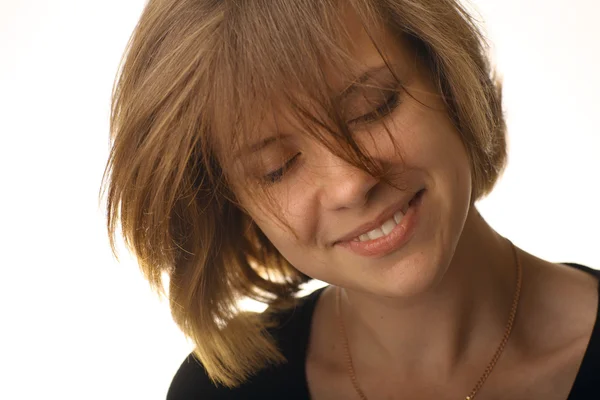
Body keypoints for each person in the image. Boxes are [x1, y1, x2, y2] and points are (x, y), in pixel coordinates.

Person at [101, 0, 599, 398]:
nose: (350, 183)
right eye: (277, 168)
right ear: (233, 208)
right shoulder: (222, 393)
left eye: (374, 107)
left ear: (448, 75)